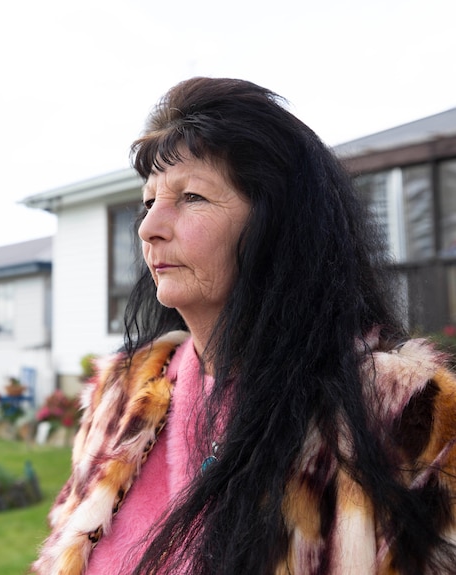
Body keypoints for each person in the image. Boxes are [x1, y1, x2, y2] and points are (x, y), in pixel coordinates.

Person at [31, 77, 456, 574]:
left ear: (278, 225)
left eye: (190, 197)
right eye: (148, 202)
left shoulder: (404, 417)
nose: (148, 227)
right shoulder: (120, 397)